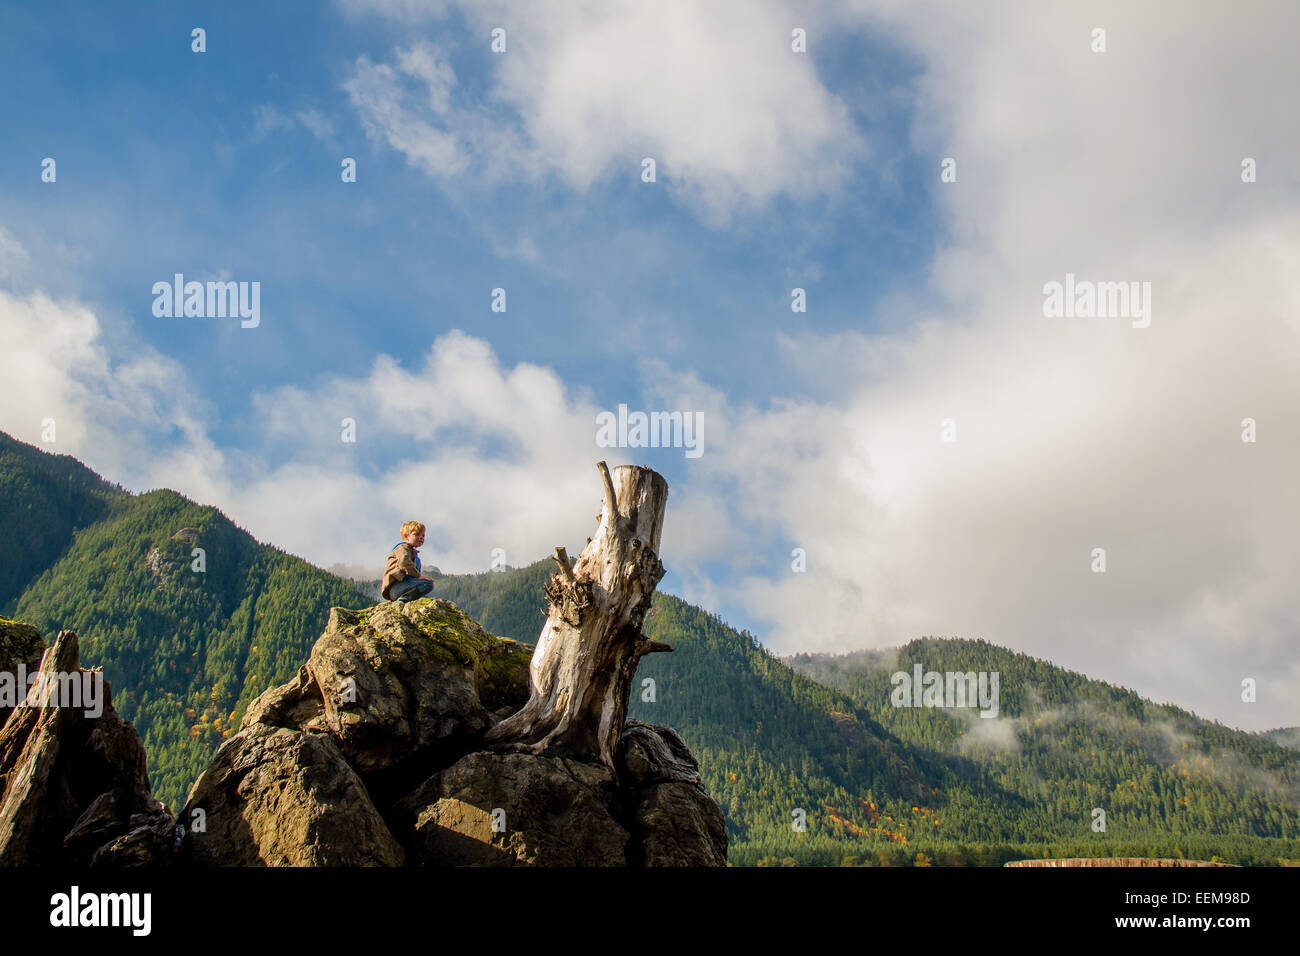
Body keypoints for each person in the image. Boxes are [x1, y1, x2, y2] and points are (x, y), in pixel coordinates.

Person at [382, 521, 436, 602]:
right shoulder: (402, 547)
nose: (421, 537)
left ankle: (410, 598)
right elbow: (404, 562)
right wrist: (418, 576)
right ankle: (404, 600)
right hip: (396, 588)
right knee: (427, 584)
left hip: (403, 587)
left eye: (423, 535)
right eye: (416, 534)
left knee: (425, 585)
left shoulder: (414, 554)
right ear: (406, 536)